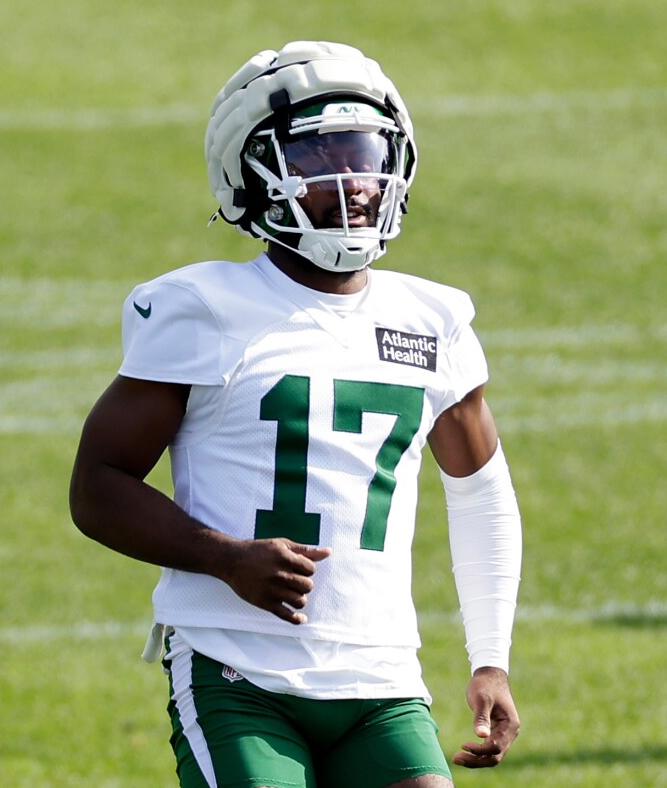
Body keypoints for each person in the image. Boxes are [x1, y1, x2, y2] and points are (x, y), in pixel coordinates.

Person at [69, 41, 523, 788]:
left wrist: (490, 658)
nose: (355, 180)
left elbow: (481, 495)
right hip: (237, 667)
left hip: (381, 677)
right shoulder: (204, 307)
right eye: (319, 155)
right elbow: (97, 485)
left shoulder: (433, 319)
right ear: (253, 174)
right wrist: (226, 558)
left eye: (366, 153)